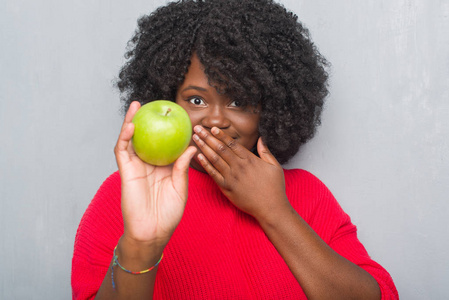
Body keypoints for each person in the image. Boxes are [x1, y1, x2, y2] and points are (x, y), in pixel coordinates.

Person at [71, 0, 398, 299]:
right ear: (168, 99)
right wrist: (141, 245)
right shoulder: (128, 195)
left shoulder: (306, 194)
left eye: (239, 101)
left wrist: (274, 211)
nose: (215, 120)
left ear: (270, 111)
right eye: (196, 100)